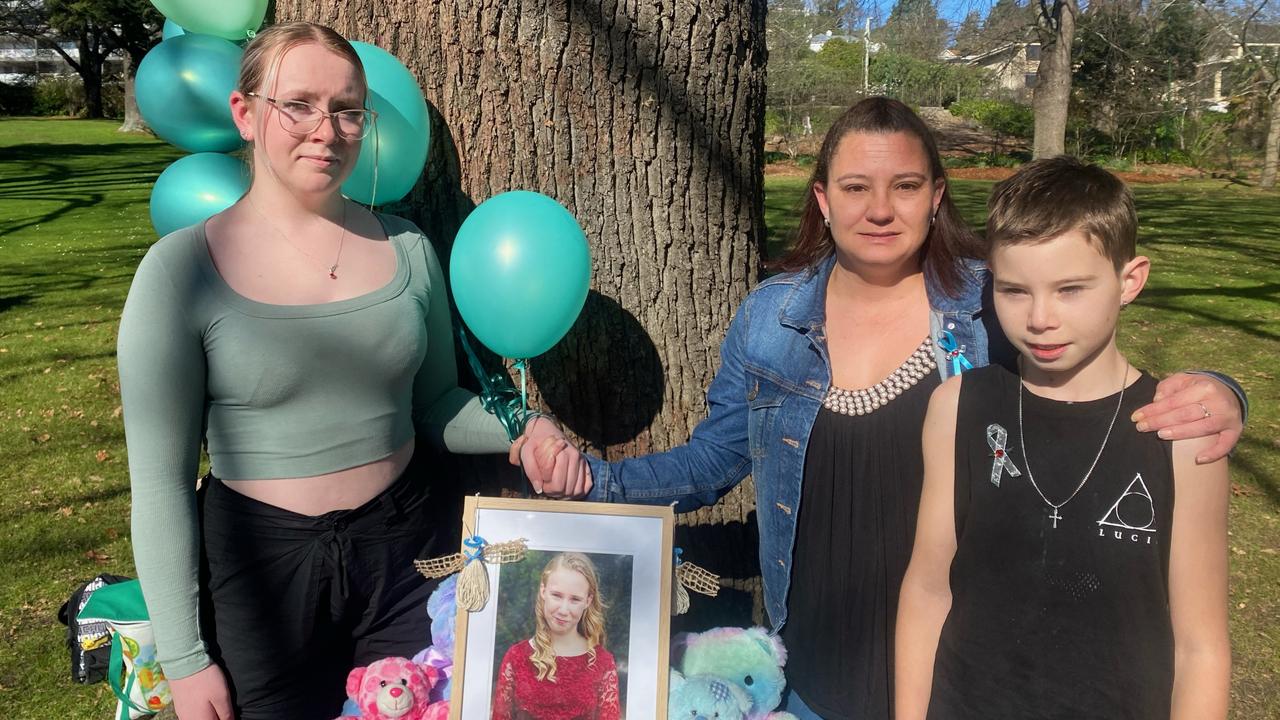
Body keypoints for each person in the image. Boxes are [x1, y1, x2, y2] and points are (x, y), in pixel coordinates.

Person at [521, 98, 1246, 719]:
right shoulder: (772, 319)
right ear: (823, 199)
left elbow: (1090, 360)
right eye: (855, 186)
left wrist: (1221, 391)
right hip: (814, 662)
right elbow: (715, 458)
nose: (878, 209)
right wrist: (595, 481)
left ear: (936, 197)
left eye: (904, 185)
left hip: (959, 668)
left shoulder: (988, 305)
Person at [117, 23, 569, 720]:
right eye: (297, 104)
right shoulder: (179, 273)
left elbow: (435, 405)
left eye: (347, 109)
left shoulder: (410, 251)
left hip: (406, 555)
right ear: (245, 113)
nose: (326, 130)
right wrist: (184, 659)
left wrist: (524, 427)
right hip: (260, 572)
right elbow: (159, 483)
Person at [895, 157, 1230, 719]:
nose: (1040, 317)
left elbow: (1201, 647)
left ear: (1130, 280)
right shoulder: (958, 407)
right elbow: (929, 589)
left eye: (1071, 289)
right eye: (1015, 290)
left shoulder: (1179, 434)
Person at [491, 553, 622, 720]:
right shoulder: (516, 657)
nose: (563, 610)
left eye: (575, 599)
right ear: (543, 591)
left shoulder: (603, 662)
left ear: (588, 601)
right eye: (557, 595)